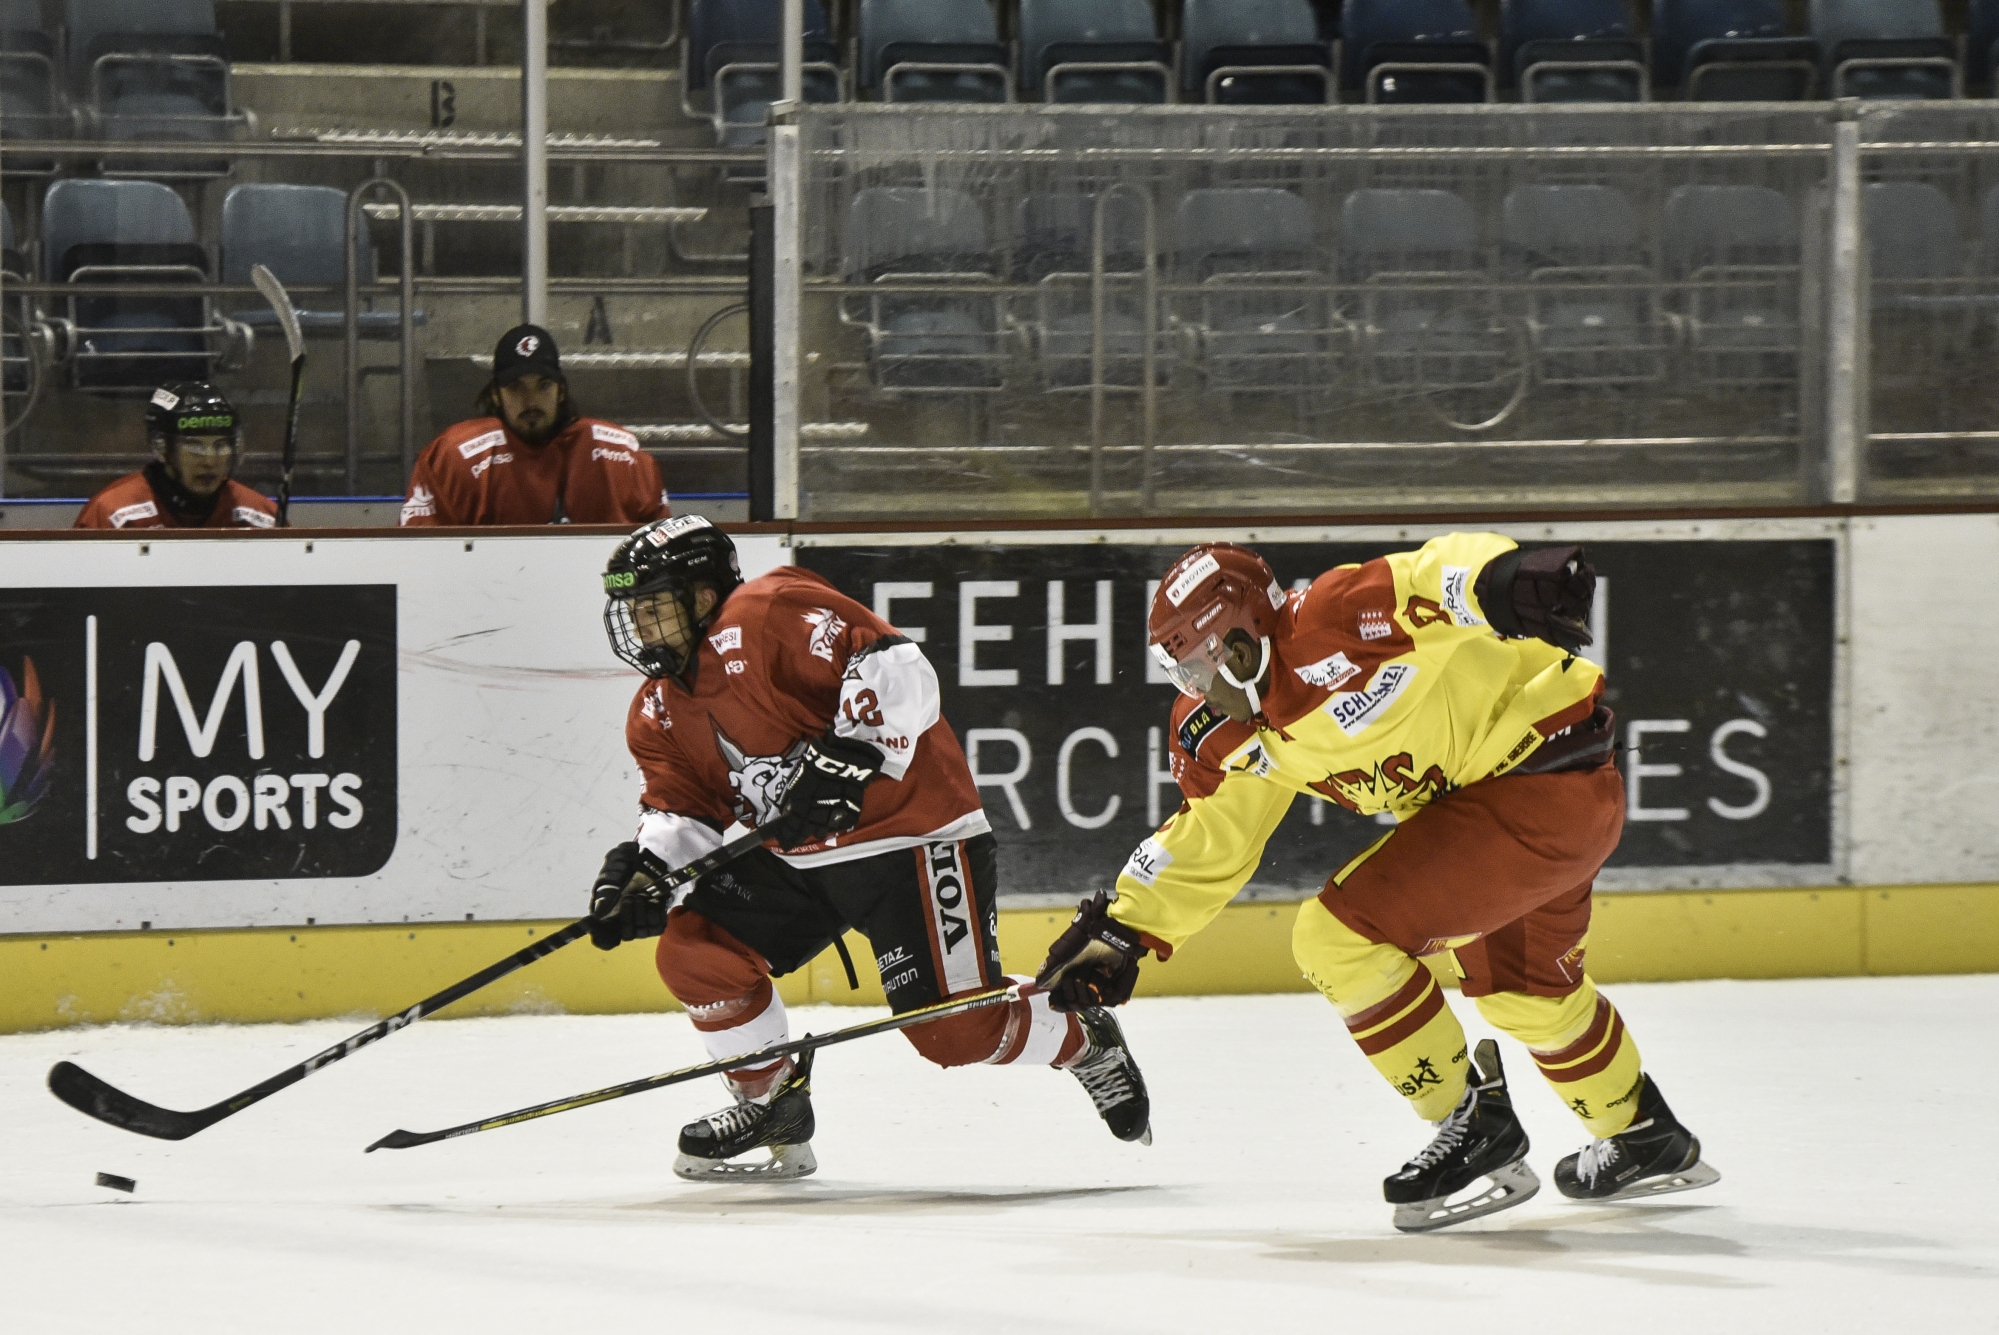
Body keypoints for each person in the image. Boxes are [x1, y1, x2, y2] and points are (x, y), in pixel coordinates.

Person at [1036, 535, 1719, 1233]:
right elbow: (1216, 832)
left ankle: (1469, 1120)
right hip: (1538, 802)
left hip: (1537, 784)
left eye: (1191, 668)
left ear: (1235, 645)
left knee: (1335, 938)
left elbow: (1429, 577)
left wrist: (1501, 576)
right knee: (1527, 994)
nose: (1189, 691)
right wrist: (1124, 928)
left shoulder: (1328, 620)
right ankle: (1641, 1134)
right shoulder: (1224, 728)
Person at [587, 515, 1151, 1180]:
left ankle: (1080, 1037)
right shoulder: (655, 708)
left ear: (703, 595)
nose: (640, 626)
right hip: (800, 858)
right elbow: (683, 811)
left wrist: (851, 757)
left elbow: (894, 663)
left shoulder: (765, 612)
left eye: (652, 606)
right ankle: (770, 1101)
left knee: (950, 1034)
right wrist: (645, 871)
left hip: (912, 838)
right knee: (694, 949)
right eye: (632, 611)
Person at [399, 324, 670, 527]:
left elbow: (663, 553)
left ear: (561, 390)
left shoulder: (623, 454)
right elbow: (419, 557)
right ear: (496, 394)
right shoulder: (453, 457)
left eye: (543, 386)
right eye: (515, 387)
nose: (530, 401)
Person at [74, 383, 277, 530]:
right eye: (194, 446)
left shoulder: (262, 518)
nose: (209, 461)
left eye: (220, 445)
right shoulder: (114, 514)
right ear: (162, 448)